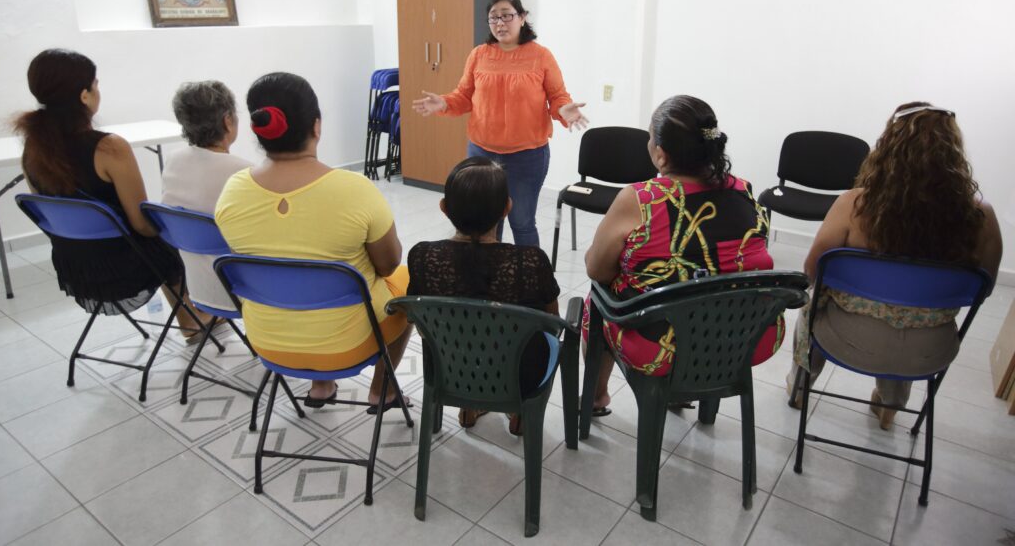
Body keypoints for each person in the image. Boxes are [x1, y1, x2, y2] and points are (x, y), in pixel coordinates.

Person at [787, 102, 1002, 429]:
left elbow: (812, 271)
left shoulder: (853, 205)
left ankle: (800, 388)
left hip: (845, 340)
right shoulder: (981, 216)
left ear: (887, 147)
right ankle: (890, 405)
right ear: (954, 153)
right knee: (914, 316)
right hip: (930, 351)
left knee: (814, 308)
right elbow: (983, 288)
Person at [215, 72, 412, 410]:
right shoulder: (354, 189)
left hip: (267, 343)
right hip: (349, 344)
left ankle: (321, 385)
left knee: (290, 272)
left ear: (257, 130)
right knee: (410, 280)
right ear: (316, 126)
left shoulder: (232, 191)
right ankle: (383, 390)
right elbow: (388, 263)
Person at [583, 95, 777, 415]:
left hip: (663, 347)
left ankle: (596, 398)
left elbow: (597, 269)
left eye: (649, 137)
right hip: (742, 339)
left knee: (597, 301)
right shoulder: (744, 190)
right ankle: (687, 397)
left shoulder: (641, 199)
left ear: (661, 155)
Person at [14, 48, 201, 339]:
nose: (98, 89)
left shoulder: (31, 150)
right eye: (95, 83)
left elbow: (52, 212)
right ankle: (191, 319)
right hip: (125, 267)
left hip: (75, 267)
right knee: (172, 232)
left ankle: (190, 318)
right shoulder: (110, 148)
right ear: (84, 95)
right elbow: (141, 224)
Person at [412, 0, 589, 248]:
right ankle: (492, 280)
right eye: (494, 18)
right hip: (482, 153)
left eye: (507, 16)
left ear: (522, 17)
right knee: (487, 224)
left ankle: (528, 280)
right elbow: (463, 96)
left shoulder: (541, 56)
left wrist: (563, 110)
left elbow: (557, 96)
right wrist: (444, 102)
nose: (500, 23)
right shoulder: (479, 55)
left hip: (527, 156)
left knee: (522, 221)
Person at [407, 157, 561, 434]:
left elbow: (416, 321)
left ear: (444, 208)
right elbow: (552, 322)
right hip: (519, 377)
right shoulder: (530, 261)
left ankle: (469, 403)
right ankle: (520, 411)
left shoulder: (422, 256)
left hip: (449, 370)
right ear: (507, 208)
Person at [161, 81, 251, 314]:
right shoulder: (244, 173)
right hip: (246, 291)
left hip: (199, 290)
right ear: (228, 121)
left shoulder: (173, 161)